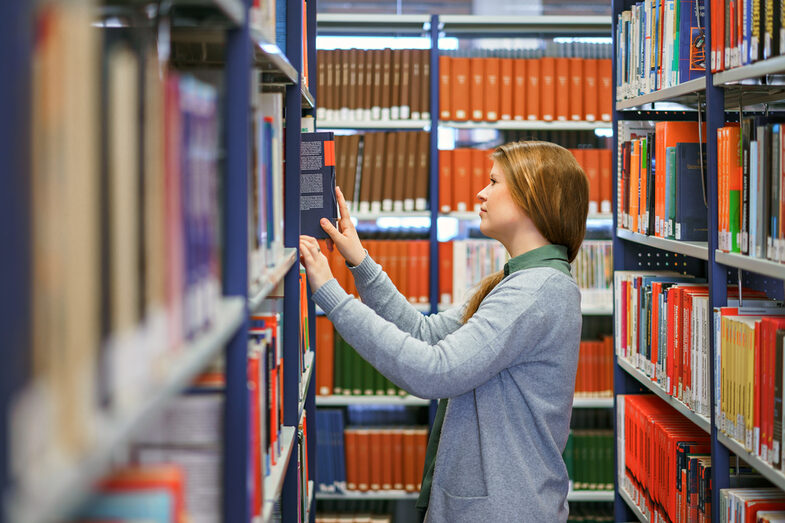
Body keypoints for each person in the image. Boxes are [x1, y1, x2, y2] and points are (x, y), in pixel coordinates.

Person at [299, 140, 589, 522]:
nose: (480, 192)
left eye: (494, 182)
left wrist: (332, 296)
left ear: (533, 198)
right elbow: (427, 333)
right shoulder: (517, 280)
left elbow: (434, 371)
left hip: (504, 510)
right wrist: (360, 261)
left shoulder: (536, 291)